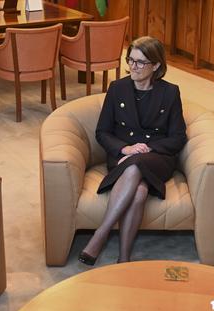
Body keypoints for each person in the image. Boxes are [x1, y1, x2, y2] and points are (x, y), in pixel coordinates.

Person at [78, 36, 187, 265]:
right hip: (122, 156)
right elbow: (102, 132)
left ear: (156, 66)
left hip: (156, 158)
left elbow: (178, 137)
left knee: (138, 163)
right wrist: (126, 149)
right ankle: (124, 258)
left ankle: (101, 234)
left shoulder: (170, 93)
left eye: (140, 62)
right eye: (131, 60)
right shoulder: (117, 88)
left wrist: (145, 149)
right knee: (138, 193)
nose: (133, 67)